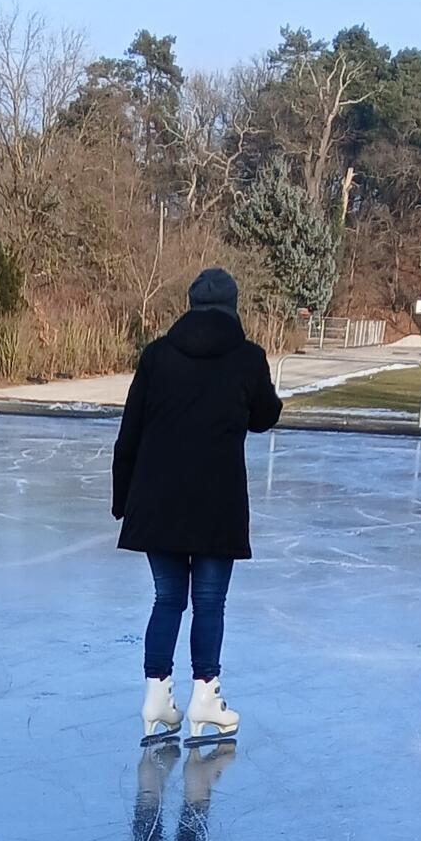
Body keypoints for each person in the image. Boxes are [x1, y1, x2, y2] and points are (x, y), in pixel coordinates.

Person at [111, 268, 281, 746]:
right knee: (209, 603)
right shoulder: (247, 358)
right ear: (233, 307)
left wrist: (123, 499)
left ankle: (156, 697)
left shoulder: (157, 356)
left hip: (157, 502)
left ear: (188, 306)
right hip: (216, 503)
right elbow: (265, 416)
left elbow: (130, 431)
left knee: (167, 600)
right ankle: (205, 698)